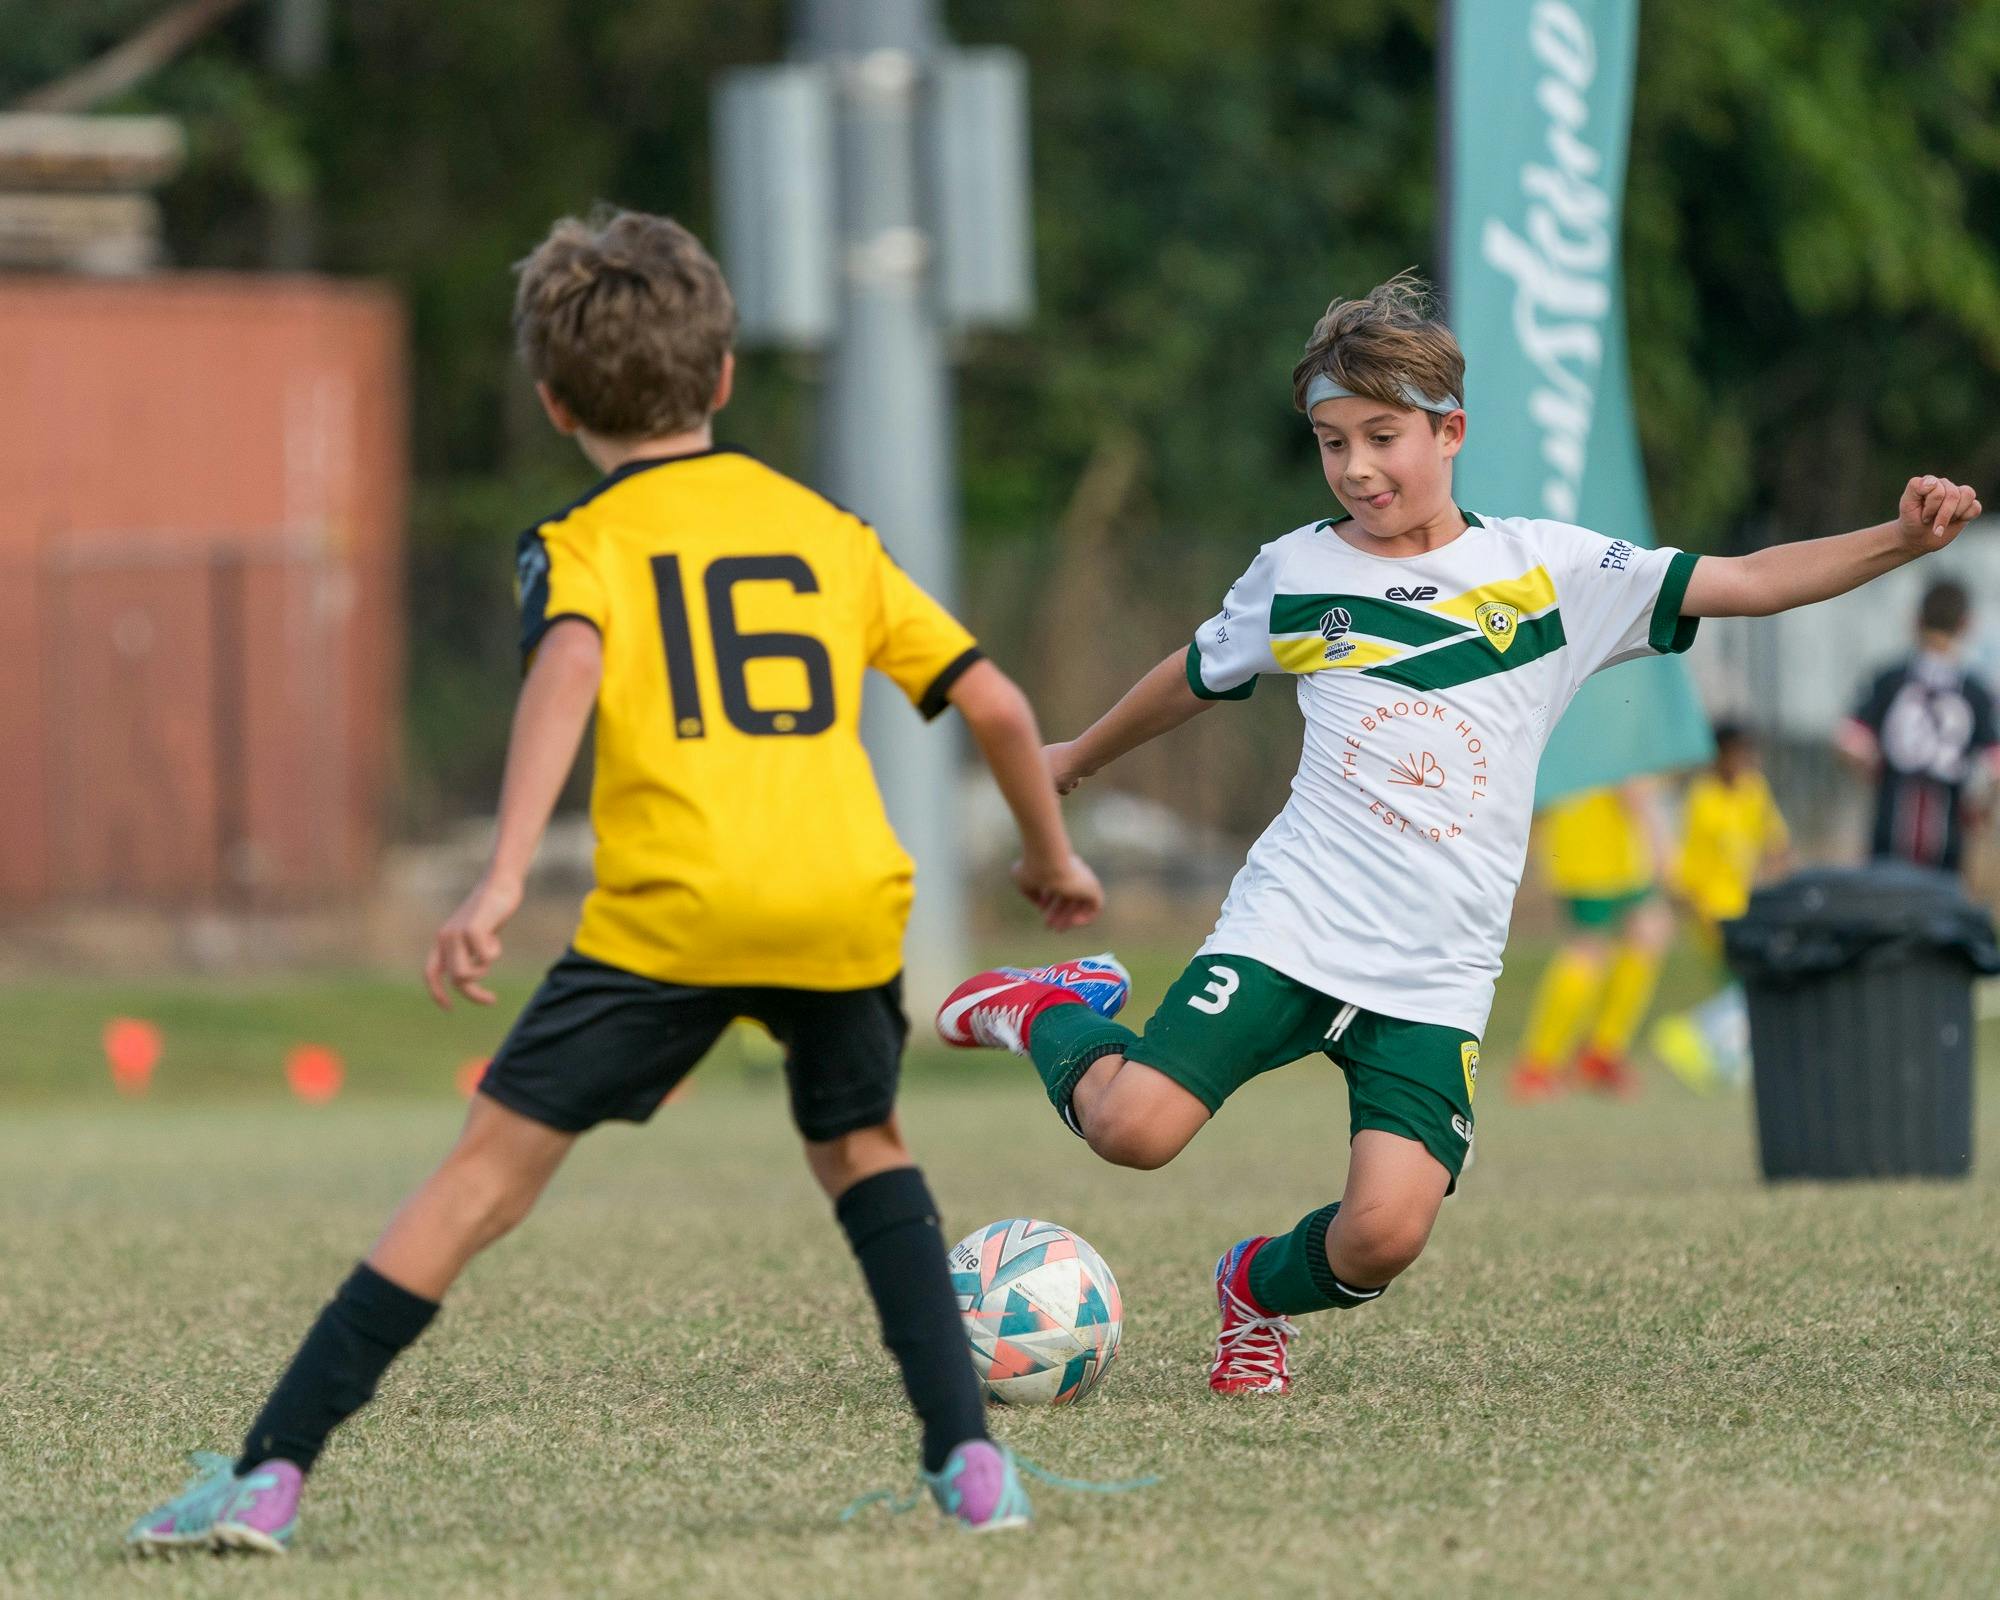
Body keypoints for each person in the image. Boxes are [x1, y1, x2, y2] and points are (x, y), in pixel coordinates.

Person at [127, 209, 1108, 1554]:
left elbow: (570, 670)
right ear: (720, 377)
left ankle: (268, 1475)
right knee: (863, 1152)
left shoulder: (581, 541)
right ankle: (972, 1469)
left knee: (483, 1181)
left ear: (551, 401)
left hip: (676, 912)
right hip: (837, 902)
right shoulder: (826, 526)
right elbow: (993, 702)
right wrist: (1048, 854)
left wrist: (499, 878)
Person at [935, 273, 1983, 1398]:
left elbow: (1750, 578)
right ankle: (1050, 1006)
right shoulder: (1296, 573)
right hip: (1292, 923)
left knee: (1381, 1234)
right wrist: (1073, 757)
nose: (1355, 469)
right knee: (1133, 1132)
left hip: (1436, 971)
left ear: (1451, 432)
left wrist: (1896, 538)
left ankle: (1250, 1289)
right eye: (1331, 443)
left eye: (1381, 437)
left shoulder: (1553, 573)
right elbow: (1194, 675)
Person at [1507, 779, 1676, 1100]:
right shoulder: (1613, 730)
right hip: (1601, 849)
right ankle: (1538, 1064)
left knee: (1647, 931)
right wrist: (1661, 842)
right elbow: (1633, 786)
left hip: (1597, 845)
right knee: (1589, 949)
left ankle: (1600, 1052)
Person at [1650, 723, 1791, 1092]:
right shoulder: (1703, 798)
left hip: (1747, 907)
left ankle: (1720, 1050)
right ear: (1718, 756)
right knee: (1749, 981)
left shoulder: (1754, 789)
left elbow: (1775, 841)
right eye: (1736, 754)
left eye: (1747, 754)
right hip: (1712, 909)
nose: (1742, 762)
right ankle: (1691, 1036)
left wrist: (1779, 882)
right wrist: (1692, 905)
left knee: (1747, 984)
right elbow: (1690, 860)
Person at [1837, 578, 1999, 874]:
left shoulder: (1890, 678)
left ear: (1916, 620)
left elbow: (1850, 741)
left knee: (1888, 908)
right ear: (1966, 624)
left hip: (1890, 829)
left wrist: (1875, 771)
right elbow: (1992, 766)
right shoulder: (1976, 692)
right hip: (1947, 839)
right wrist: (1980, 806)